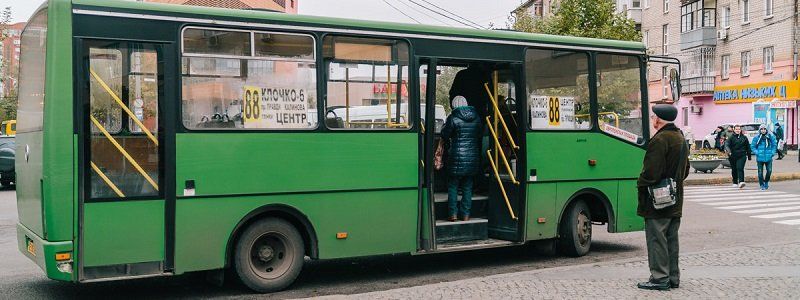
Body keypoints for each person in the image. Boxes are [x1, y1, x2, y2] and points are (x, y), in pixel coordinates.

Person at [636, 104, 689, 291]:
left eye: (653, 117)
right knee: (671, 239)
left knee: (657, 238)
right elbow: (686, 170)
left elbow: (651, 172)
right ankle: (673, 277)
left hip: (658, 199)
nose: (652, 120)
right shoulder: (680, 138)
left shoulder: (660, 140)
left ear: (658, 119)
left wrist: (641, 182)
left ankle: (659, 278)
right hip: (676, 197)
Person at [441, 96, 482, 221]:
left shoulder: (453, 117)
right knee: (467, 187)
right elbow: (480, 133)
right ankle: (465, 215)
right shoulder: (477, 118)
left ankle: (453, 214)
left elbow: (445, 134)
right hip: (472, 157)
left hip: (456, 157)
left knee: (453, 186)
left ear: (454, 105)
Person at [751, 125, 777, 190]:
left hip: (768, 158)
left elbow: (774, 145)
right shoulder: (756, 138)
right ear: (760, 130)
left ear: (766, 130)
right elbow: (753, 147)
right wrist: (757, 152)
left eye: (764, 129)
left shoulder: (770, 137)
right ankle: (761, 184)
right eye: (761, 129)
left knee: (769, 171)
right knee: (760, 172)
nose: (763, 130)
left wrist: (772, 153)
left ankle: (766, 182)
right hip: (760, 158)